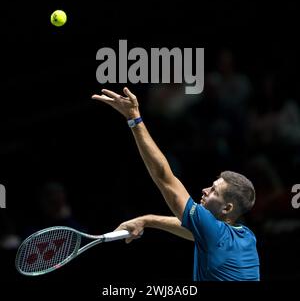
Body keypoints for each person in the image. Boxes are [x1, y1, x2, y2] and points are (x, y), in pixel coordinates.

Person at [92, 87, 260, 281]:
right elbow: (192, 231)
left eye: (214, 191)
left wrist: (134, 118)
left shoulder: (214, 232)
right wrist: (147, 220)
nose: (204, 191)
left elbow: (165, 178)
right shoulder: (247, 236)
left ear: (227, 208)